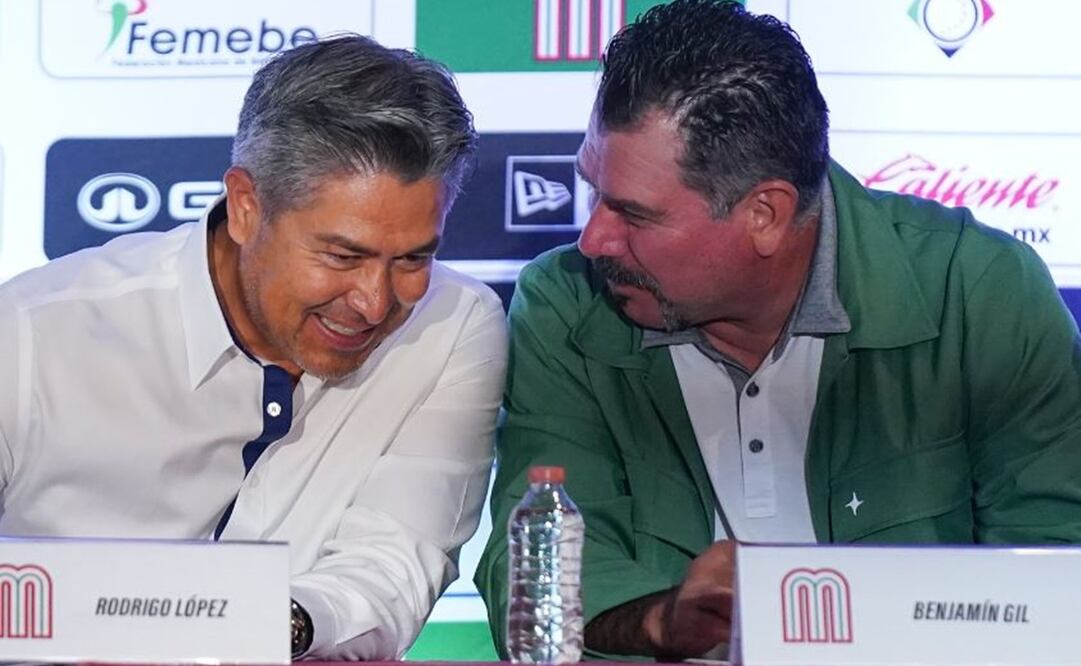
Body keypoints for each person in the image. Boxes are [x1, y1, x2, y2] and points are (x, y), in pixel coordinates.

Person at [475, 0, 1081, 660]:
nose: (592, 240)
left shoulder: (976, 290)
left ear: (765, 213)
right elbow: (534, 575)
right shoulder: (564, 303)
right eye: (593, 190)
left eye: (632, 214)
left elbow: (1055, 564)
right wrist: (662, 622)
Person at [0, 35, 507, 660]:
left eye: (412, 258)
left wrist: (253, 627)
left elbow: (393, 566)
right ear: (245, 208)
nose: (374, 303)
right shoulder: (29, 333)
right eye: (341, 256)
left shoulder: (453, 325)